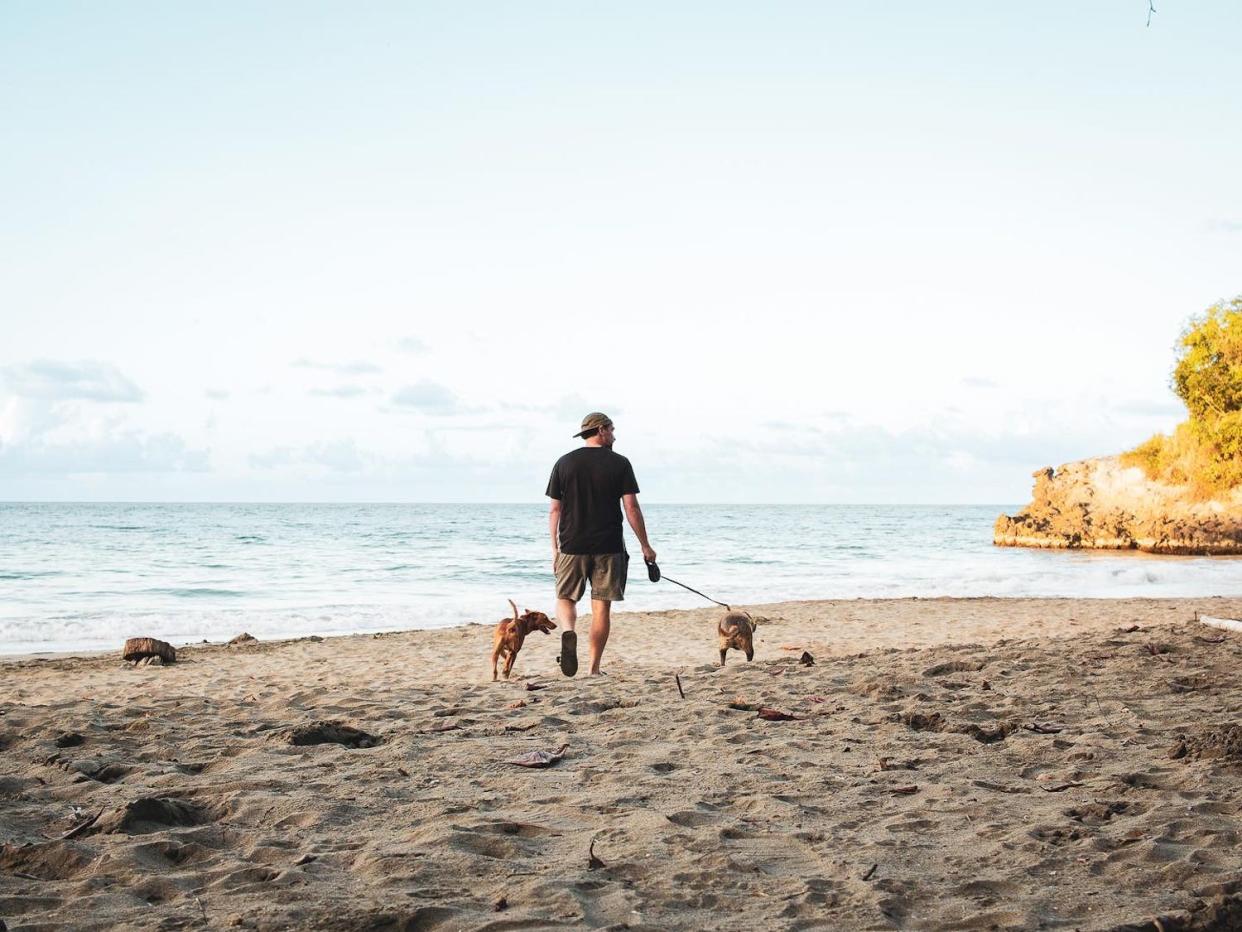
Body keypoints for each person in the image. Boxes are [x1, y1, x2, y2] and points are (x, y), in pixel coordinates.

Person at [545, 412, 657, 677]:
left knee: (565, 598)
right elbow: (631, 507)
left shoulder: (564, 463)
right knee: (601, 607)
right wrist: (645, 545)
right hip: (609, 546)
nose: (615, 435)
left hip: (572, 544)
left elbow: (554, 511)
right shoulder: (620, 463)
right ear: (602, 430)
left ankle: (569, 630)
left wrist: (554, 549)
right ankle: (593, 669)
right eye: (612, 430)